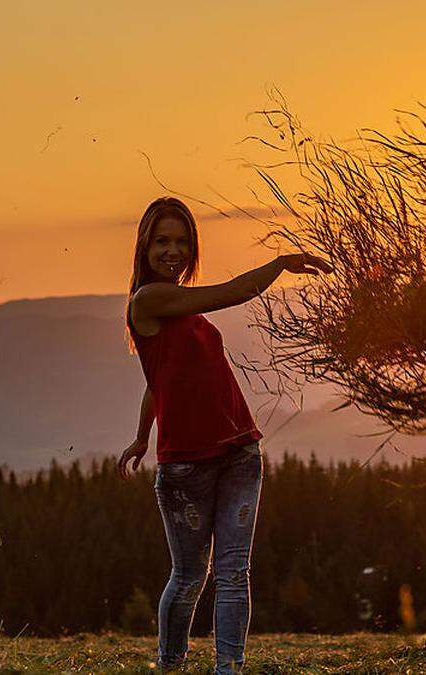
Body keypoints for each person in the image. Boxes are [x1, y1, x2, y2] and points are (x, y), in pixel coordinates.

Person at [117, 196, 332, 673]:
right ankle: (170, 663)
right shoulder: (149, 300)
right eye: (162, 241)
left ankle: (227, 669)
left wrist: (139, 436)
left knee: (233, 572)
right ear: (145, 247)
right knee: (191, 575)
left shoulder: (182, 310)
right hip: (186, 466)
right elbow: (233, 292)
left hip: (240, 452)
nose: (173, 251)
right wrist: (280, 263)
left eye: (182, 241)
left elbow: (159, 382)